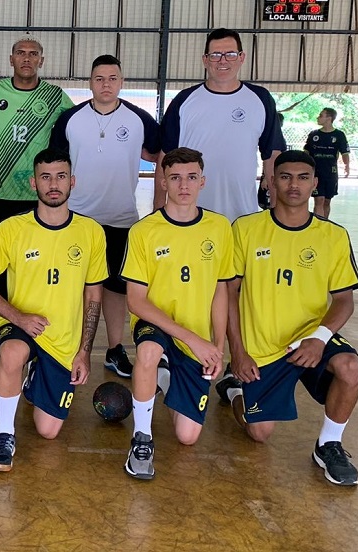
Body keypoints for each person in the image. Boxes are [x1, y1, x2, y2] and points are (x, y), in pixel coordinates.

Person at [217, 150, 358, 486]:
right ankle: (235, 391)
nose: (293, 184)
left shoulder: (333, 236)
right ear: (270, 182)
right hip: (263, 348)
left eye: (302, 177)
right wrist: (238, 352)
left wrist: (319, 338)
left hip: (310, 339)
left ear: (315, 183)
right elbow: (230, 293)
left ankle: (329, 444)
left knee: (350, 367)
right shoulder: (246, 229)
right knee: (259, 433)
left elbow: (344, 300)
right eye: (284, 177)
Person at [0, 147, 107, 472]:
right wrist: (16, 317)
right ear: (34, 183)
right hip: (22, 325)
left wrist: (84, 352)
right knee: (12, 353)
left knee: (48, 431)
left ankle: (36, 376)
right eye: (45, 177)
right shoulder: (12, 229)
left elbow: (93, 296)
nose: (53, 184)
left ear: (72, 182)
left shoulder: (91, 232)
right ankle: (4, 435)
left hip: (63, 340)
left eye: (61, 176)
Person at [119, 147, 233, 480]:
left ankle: (165, 377)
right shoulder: (144, 231)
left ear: (203, 181)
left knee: (187, 436)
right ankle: (142, 437)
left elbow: (220, 291)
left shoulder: (219, 227)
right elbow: (136, 302)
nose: (184, 185)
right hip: (154, 325)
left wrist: (217, 346)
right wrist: (193, 340)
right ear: (163, 181)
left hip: (196, 337)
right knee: (150, 350)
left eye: (191, 177)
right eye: (175, 178)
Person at [50, 54, 161, 379]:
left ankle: (114, 349)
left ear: (121, 82)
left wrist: (159, 204)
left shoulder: (139, 120)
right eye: (99, 79)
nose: (106, 85)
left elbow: (159, 154)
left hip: (121, 219)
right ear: (90, 82)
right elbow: (56, 165)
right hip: (77, 220)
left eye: (112, 78)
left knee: (115, 289)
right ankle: (63, 347)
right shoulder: (71, 119)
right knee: (71, 286)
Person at [0, 37, 73, 365]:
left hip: (39, 198)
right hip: (1, 194)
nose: (27, 59)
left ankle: (41, 335)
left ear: (41, 61)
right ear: (11, 58)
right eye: (21, 53)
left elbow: (74, 134)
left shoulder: (56, 97)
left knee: (37, 269)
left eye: (33, 54)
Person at [157, 28, 285, 222]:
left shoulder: (260, 99)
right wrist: (158, 211)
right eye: (215, 55)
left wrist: (278, 213)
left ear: (241, 57)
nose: (223, 60)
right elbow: (165, 158)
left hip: (242, 216)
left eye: (230, 54)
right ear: (205, 59)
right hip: (190, 219)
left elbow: (273, 157)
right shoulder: (184, 100)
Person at [304, 107, 350, 219]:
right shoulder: (314, 134)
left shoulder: (339, 135)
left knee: (326, 201)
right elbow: (306, 152)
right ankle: (318, 225)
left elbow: (345, 152)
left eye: (321, 115)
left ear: (329, 118)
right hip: (316, 172)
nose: (318, 117)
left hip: (330, 172)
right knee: (319, 200)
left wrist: (347, 166)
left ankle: (325, 223)